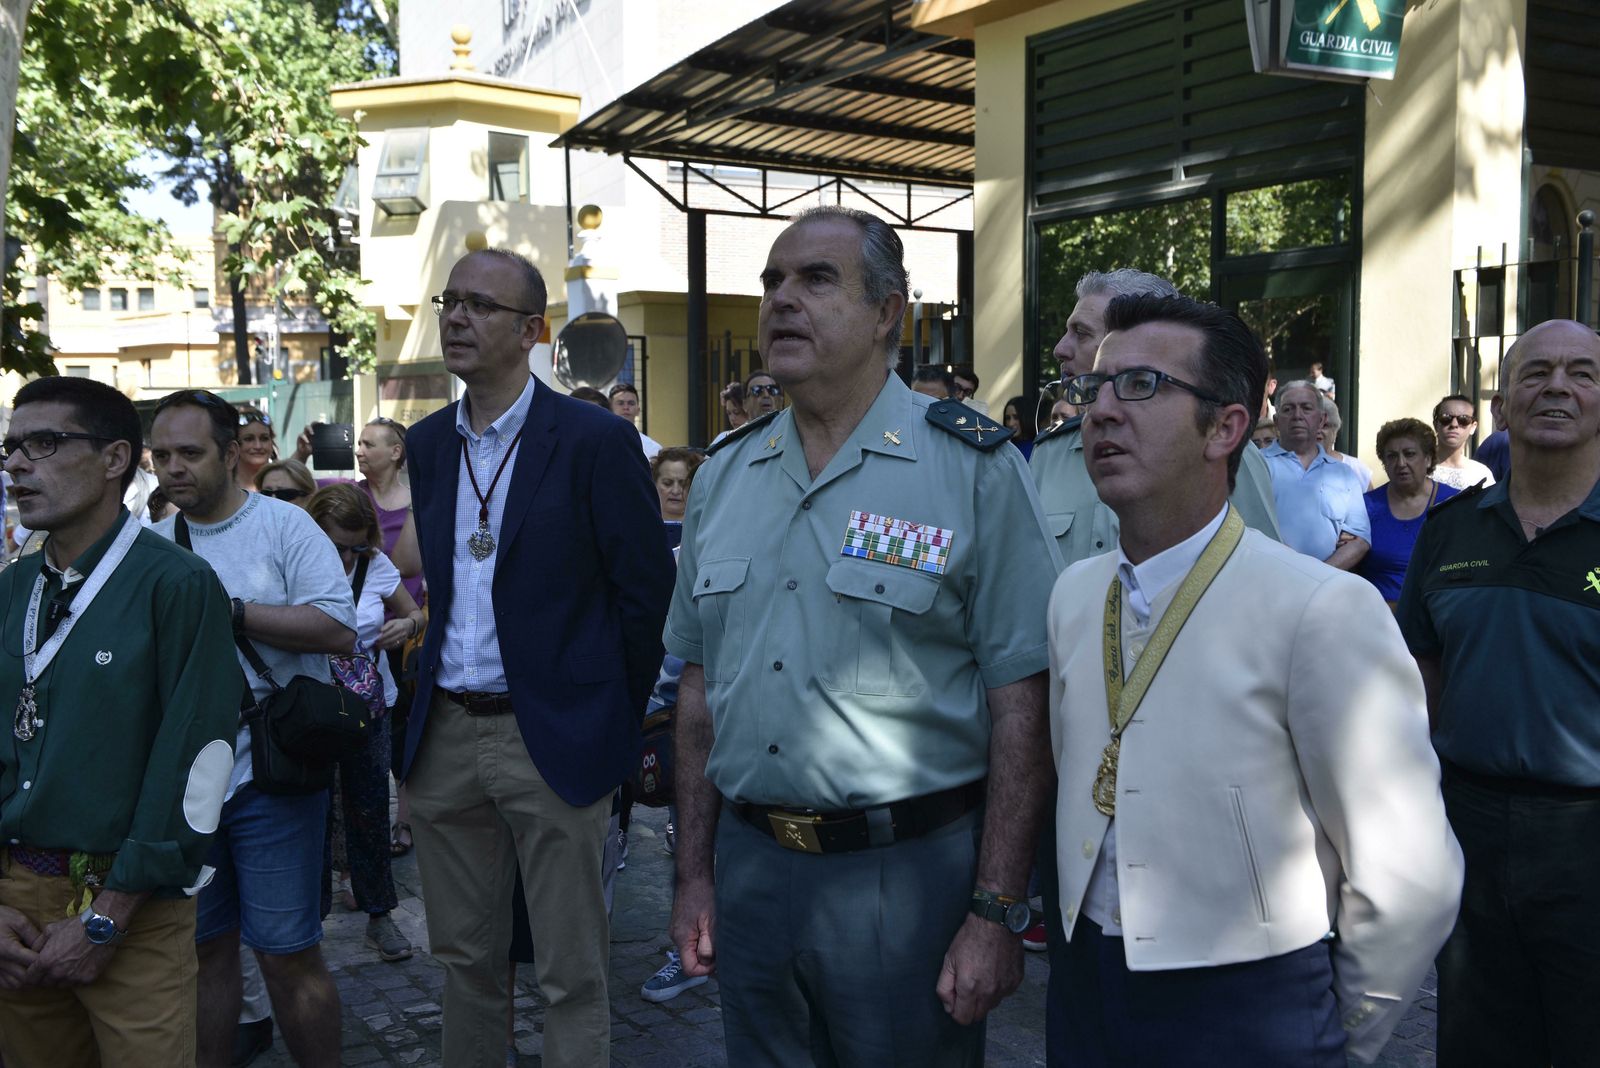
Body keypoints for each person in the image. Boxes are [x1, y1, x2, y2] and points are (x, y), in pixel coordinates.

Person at [665, 206, 1061, 1066]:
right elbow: (697, 689)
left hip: (906, 879)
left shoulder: (973, 467)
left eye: (816, 279)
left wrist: (997, 910)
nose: (781, 300)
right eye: (772, 281)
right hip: (752, 869)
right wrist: (694, 875)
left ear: (888, 313)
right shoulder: (724, 475)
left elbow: (1023, 701)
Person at [1048, 294, 1461, 1065]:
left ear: (1226, 428)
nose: (1100, 410)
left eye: (1140, 385)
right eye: (1094, 387)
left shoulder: (1321, 608)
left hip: (1248, 1001)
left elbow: (1411, 873)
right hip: (1084, 981)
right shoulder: (1074, 595)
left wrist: (1332, 1039)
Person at [404, 248, 674, 1068]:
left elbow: (645, 597)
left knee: (571, 972)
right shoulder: (427, 444)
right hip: (446, 734)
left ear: (532, 331)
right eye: (451, 301)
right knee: (465, 964)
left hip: (553, 735)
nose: (457, 317)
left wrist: (607, 717)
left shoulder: (595, 439)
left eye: (481, 305)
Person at [0, 377, 239, 1068]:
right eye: (11, 447)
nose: (16, 465)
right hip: (16, 907)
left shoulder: (177, 582)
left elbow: (197, 760)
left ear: (114, 459)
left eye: (44, 444)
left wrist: (108, 916)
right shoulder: (12, 588)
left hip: (132, 906)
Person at [1398, 319, 1600, 1068]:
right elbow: (1422, 674)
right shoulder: (1450, 531)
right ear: (1503, 404)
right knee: (1477, 1043)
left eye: (1582, 373)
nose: (1557, 387)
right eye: (1535, 373)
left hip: (1588, 837)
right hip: (1469, 828)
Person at [149, 389, 357, 1068]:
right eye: (161, 455)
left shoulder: (284, 526)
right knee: (203, 952)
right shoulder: (152, 545)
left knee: (286, 953)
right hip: (189, 784)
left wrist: (231, 611)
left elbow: (338, 628)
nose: (173, 468)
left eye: (189, 452)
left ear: (232, 452)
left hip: (274, 772)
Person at [305, 484, 422, 964]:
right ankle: (307, 924)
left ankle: (379, 914)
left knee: (370, 810)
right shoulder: (295, 563)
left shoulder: (375, 565)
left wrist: (407, 625)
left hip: (368, 708)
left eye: (355, 546)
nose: (346, 557)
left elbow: (413, 611)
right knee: (310, 813)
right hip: (309, 709)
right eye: (337, 546)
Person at [1262, 380, 1371, 569]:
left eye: (1306, 408)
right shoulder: (1256, 465)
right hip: (1270, 578)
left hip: (1328, 582)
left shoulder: (1344, 474)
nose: (1297, 416)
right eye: (1288, 409)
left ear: (1321, 420)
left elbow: (1359, 540)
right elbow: (1248, 528)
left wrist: (1320, 576)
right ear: (1277, 421)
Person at [1357, 418, 1458, 606]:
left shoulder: (1454, 503)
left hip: (1436, 613)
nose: (1401, 463)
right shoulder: (1366, 506)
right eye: (1392, 456)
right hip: (1377, 614)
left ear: (1428, 459)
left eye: (1409, 454)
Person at [1429, 393, 1495, 491]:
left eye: (1463, 419)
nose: (1454, 424)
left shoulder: (1481, 474)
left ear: (1473, 427)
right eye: (1446, 418)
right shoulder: (1418, 468)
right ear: (1435, 425)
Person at [1319, 397, 1373, 489]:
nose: (1317, 430)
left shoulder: (1356, 469)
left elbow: (1370, 498)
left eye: (1324, 425)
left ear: (1335, 432)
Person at [608, 382, 662, 459]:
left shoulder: (653, 449)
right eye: (620, 403)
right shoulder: (599, 442)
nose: (626, 407)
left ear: (638, 410)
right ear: (610, 409)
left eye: (631, 403)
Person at [235, 408, 276, 492]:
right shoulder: (221, 487)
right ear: (234, 446)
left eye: (264, 438)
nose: (258, 446)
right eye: (249, 439)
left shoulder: (285, 484)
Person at [1001, 394, 1037, 460]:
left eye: (1016, 417)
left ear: (1027, 418)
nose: (1011, 423)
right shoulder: (1003, 449)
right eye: (1008, 418)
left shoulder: (1037, 449)